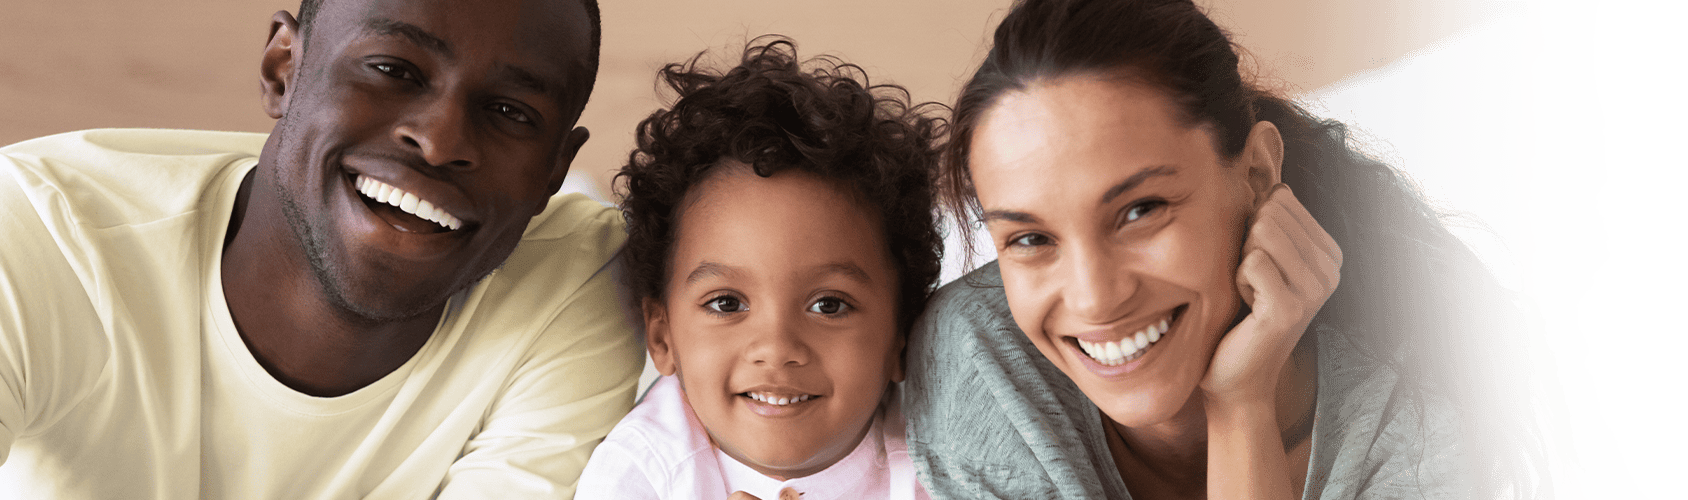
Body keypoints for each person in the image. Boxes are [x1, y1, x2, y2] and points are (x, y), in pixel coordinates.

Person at [903, 0, 1604, 499]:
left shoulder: (1399, 439)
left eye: (1140, 210)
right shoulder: (979, 363)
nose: (1094, 297)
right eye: (1030, 239)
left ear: (1260, 175)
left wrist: (1241, 405)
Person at [0, 0, 643, 497]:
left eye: (510, 111)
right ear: (283, 69)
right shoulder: (38, 229)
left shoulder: (580, 278)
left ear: (556, 168)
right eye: (394, 70)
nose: (442, 139)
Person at [573, 38, 940, 500]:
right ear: (664, 338)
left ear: (900, 337)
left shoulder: (939, 463)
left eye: (829, 305)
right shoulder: (644, 469)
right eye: (727, 303)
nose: (776, 348)